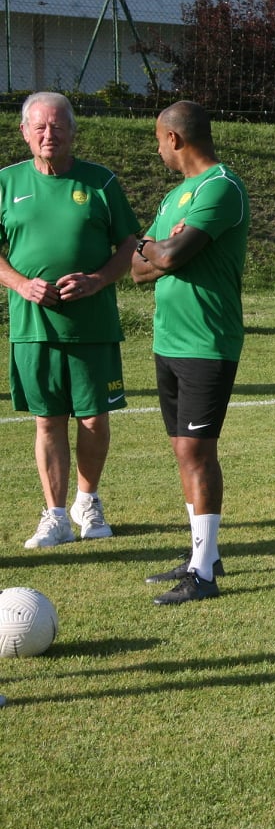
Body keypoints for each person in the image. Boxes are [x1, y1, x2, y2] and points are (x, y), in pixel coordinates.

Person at [1, 92, 140, 550]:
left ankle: (88, 500)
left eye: (58, 126)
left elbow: (128, 246)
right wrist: (21, 284)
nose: (48, 134)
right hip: (33, 328)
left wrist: (98, 281)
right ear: (23, 132)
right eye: (39, 126)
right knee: (47, 421)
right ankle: (55, 516)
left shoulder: (101, 182)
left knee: (94, 419)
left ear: (73, 131)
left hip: (93, 325)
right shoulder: (6, 182)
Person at [129, 101, 250, 605]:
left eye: (159, 141)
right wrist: (158, 249)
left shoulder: (219, 187)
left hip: (206, 341)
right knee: (183, 449)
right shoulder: (175, 196)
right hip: (168, 340)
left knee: (199, 451)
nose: (158, 151)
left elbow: (169, 255)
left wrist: (161, 249)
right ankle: (204, 552)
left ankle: (204, 574)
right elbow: (139, 269)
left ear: (174, 139)